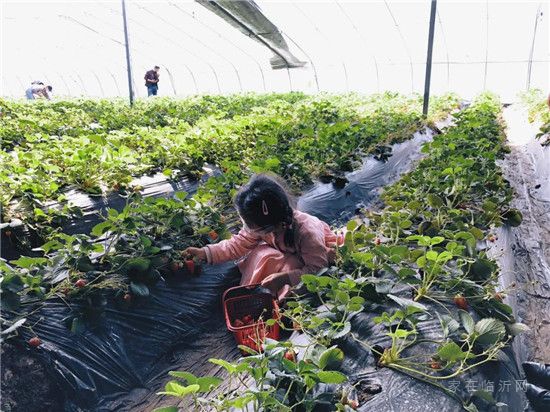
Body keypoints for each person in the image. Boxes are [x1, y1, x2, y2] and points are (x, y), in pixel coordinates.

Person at [184, 174, 343, 299]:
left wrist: (285, 278)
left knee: (294, 270)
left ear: (275, 224)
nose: (248, 229)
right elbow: (238, 243)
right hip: (289, 251)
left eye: (253, 226)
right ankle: (271, 291)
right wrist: (205, 253)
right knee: (262, 254)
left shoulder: (307, 232)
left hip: (315, 256)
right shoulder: (262, 224)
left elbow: (318, 270)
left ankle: (285, 300)